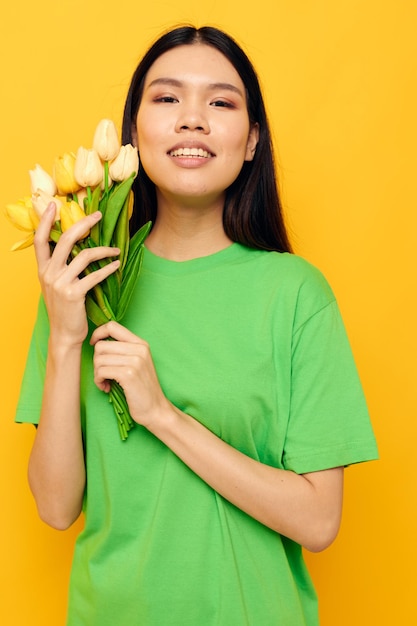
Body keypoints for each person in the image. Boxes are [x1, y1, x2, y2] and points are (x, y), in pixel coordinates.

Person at [16, 25, 378, 626]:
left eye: (220, 102)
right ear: (133, 133)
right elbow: (56, 508)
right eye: (166, 99)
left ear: (252, 140)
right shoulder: (78, 285)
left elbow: (319, 522)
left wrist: (160, 413)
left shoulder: (295, 294)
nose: (192, 120)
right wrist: (64, 337)